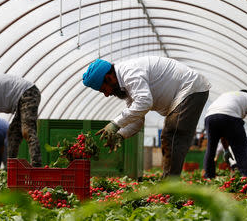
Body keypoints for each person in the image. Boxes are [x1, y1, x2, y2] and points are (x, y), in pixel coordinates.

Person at [82, 56, 211, 177]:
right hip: (184, 93)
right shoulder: (126, 87)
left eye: (104, 89)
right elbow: (137, 118)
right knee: (170, 136)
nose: (106, 94)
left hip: (190, 89)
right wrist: (121, 135)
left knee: (172, 135)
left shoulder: (130, 73)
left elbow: (144, 102)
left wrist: (115, 124)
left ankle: (171, 188)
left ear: (109, 78)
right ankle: (170, 185)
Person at [203, 90, 247, 178]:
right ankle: (246, 177)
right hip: (230, 117)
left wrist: (226, 149)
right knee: (241, 148)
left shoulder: (226, 95)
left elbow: (223, 130)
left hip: (210, 116)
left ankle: (208, 177)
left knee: (211, 148)